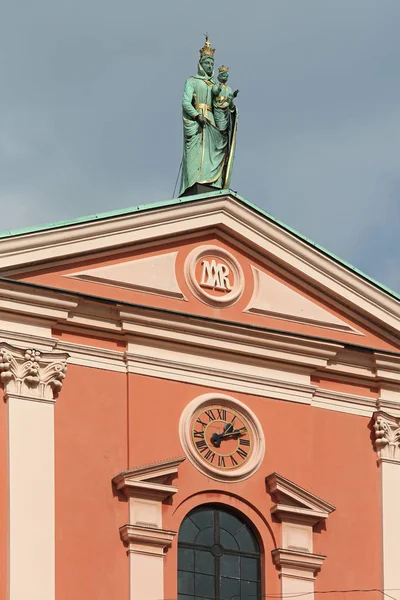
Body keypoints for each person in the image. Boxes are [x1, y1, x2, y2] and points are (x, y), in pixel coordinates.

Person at [179, 37, 238, 196]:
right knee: (196, 156)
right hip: (198, 122)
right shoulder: (191, 81)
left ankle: (213, 184)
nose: (210, 66)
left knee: (214, 154)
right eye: (207, 63)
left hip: (212, 121)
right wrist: (197, 115)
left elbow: (221, 104)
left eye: (212, 64)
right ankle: (194, 184)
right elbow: (185, 103)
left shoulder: (216, 86)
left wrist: (229, 106)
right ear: (200, 64)